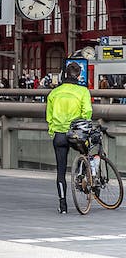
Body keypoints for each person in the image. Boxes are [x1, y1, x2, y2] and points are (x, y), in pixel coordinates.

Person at [46, 61, 93, 214]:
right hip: (76, 133)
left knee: (60, 171)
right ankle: (81, 174)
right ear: (79, 75)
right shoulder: (83, 91)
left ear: (65, 74)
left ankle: (63, 205)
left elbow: (49, 117)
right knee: (86, 152)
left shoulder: (54, 93)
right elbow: (87, 113)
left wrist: (53, 131)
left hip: (59, 134)